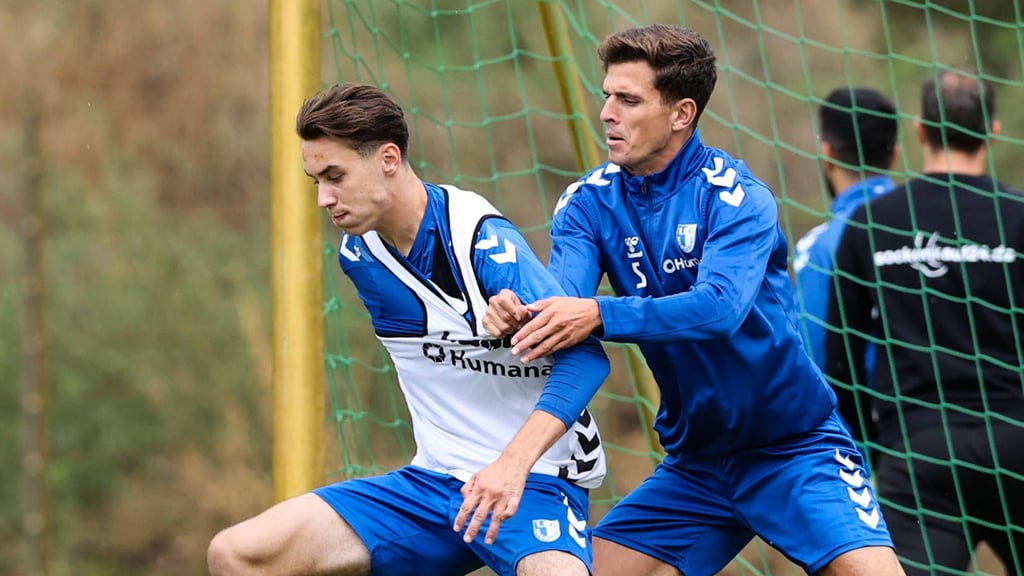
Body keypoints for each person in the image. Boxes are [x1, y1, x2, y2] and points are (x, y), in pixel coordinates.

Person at [484, 24, 906, 576]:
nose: (607, 113)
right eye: (607, 96)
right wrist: (520, 313)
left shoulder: (736, 196)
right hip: (696, 465)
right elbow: (565, 302)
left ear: (682, 113)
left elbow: (719, 307)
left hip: (793, 450)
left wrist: (599, 314)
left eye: (628, 100)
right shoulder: (588, 203)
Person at [206, 83, 612, 576]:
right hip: (430, 485)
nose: (323, 198)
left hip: (533, 481)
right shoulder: (360, 255)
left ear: (389, 159)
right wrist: (493, 332)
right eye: (316, 181)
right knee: (237, 554)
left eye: (335, 176)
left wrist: (511, 462)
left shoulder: (480, 238)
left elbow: (585, 358)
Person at [825, 68, 1024, 575]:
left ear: (919, 129)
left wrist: (873, 452)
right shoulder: (1018, 216)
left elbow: (841, 361)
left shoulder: (870, 223)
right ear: (993, 130)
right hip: (1016, 440)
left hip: (918, 454)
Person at [792, 86, 900, 441]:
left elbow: (816, 359)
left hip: (858, 443)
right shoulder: (933, 228)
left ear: (827, 153)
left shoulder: (819, 247)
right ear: (895, 154)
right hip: (946, 428)